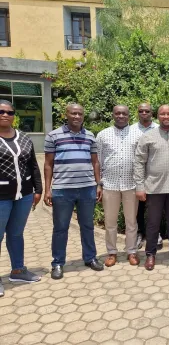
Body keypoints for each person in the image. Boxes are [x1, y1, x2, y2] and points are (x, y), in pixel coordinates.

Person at [44, 104, 104, 280]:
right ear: (67, 115)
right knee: (60, 228)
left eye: (80, 113)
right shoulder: (53, 136)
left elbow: (95, 163)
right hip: (62, 190)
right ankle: (57, 263)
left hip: (87, 188)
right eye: (73, 113)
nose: (77, 116)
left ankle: (90, 257)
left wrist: (98, 184)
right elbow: (48, 164)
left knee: (87, 226)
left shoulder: (90, 136)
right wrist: (48, 189)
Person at [134, 105, 169, 271]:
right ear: (157, 116)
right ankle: (150, 254)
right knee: (152, 223)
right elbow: (139, 162)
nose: (166, 116)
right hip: (153, 188)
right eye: (163, 113)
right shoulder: (148, 136)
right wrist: (139, 186)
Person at [0, 100, 42, 297]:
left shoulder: (24, 138)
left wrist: (38, 189)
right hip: (1, 198)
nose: (5, 115)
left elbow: (33, 165)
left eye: (9, 112)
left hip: (23, 195)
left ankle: (18, 270)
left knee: (16, 234)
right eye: (1, 111)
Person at [96, 105, 142, 267]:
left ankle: (131, 251)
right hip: (110, 184)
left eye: (124, 113)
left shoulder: (138, 134)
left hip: (131, 185)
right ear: (113, 115)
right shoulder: (103, 135)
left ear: (129, 116)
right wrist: (99, 184)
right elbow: (98, 161)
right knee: (110, 221)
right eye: (118, 113)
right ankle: (112, 252)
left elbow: (141, 161)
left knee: (131, 221)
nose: (121, 116)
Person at [130, 103, 158, 250]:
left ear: (151, 113)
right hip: (138, 174)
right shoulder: (131, 130)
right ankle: (140, 233)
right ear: (137, 113)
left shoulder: (158, 128)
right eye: (141, 111)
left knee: (156, 206)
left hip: (155, 175)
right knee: (139, 207)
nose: (144, 113)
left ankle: (156, 233)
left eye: (147, 111)